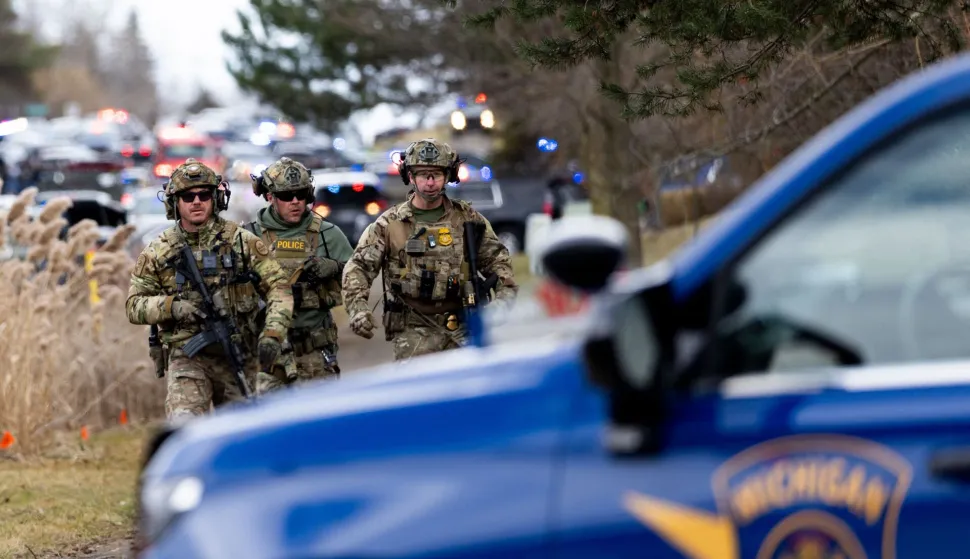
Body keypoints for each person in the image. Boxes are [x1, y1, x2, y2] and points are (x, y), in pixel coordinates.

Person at [126, 158, 293, 418]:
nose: (196, 201)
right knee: (185, 426)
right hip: (188, 359)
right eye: (188, 196)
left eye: (204, 195)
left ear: (215, 198)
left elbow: (279, 289)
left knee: (246, 436)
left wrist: (273, 333)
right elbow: (134, 305)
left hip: (240, 354)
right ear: (174, 203)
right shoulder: (158, 251)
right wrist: (172, 307)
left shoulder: (242, 242)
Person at [342, 138, 518, 360]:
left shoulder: (468, 219)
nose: (430, 181)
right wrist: (357, 308)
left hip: (464, 326)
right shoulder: (390, 224)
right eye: (423, 174)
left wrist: (501, 303)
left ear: (449, 175)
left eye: (437, 174)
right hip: (413, 331)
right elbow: (358, 267)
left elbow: (499, 263)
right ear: (410, 176)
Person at [244, 157, 353, 392]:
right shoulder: (247, 238)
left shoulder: (327, 234)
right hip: (267, 356)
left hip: (314, 351)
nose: (295, 202)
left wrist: (335, 267)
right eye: (286, 196)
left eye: (301, 194)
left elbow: (359, 275)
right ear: (270, 196)